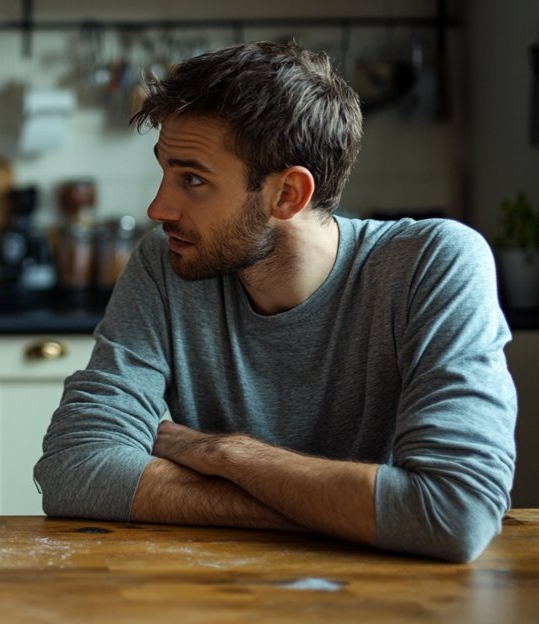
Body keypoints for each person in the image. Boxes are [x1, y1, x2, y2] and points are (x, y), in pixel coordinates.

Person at [34, 41, 517, 563]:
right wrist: (345, 510)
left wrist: (224, 453)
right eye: (165, 172)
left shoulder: (432, 262)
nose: (158, 207)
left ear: (288, 195)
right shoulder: (164, 264)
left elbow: (455, 512)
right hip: (217, 586)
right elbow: (75, 468)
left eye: (192, 179)